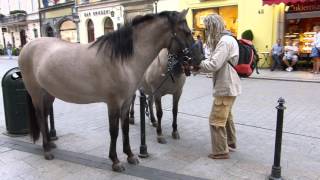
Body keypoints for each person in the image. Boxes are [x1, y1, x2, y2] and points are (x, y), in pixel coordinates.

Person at [191, 14, 241, 159]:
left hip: (226, 85)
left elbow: (213, 64)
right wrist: (198, 68)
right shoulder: (227, 39)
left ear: (213, 26)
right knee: (226, 116)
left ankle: (220, 152)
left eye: (207, 28)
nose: (206, 31)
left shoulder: (224, 41)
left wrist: (197, 61)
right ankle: (231, 142)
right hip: (229, 84)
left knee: (216, 120)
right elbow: (214, 62)